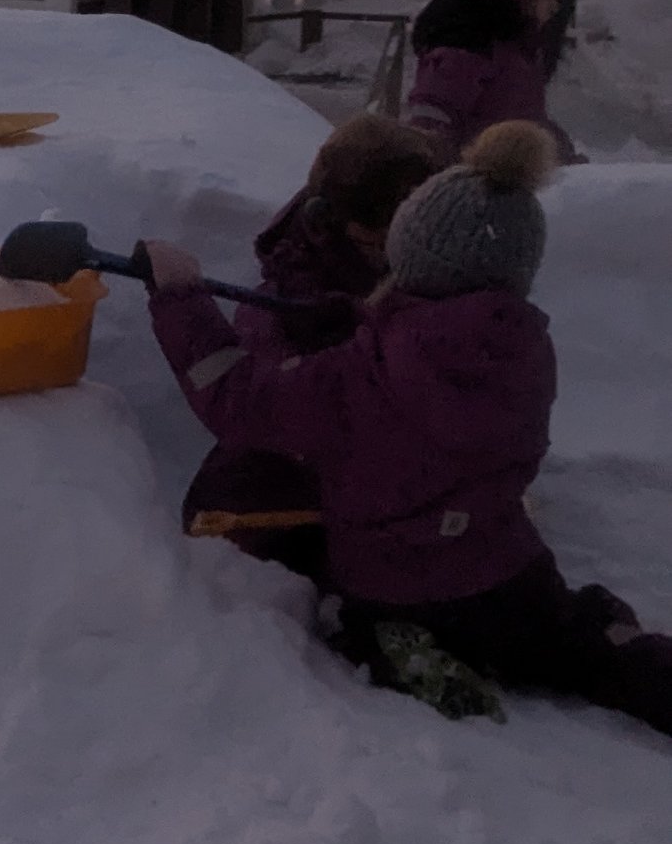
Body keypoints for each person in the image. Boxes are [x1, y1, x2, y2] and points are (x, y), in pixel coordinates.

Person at [144, 122, 672, 737]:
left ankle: (383, 644)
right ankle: (630, 658)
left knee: (349, 612)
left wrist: (179, 297)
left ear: (407, 256)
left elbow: (240, 398)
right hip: (505, 569)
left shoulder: (363, 372)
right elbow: (430, 355)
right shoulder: (526, 345)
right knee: (579, 637)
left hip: (391, 578)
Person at [179, 111, 445, 573]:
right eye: (374, 243)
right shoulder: (284, 307)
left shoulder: (436, 270)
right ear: (328, 218)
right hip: (301, 477)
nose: (390, 257)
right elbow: (258, 409)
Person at [406, 0, 574, 158]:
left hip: (509, 179)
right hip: (473, 184)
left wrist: (562, 156)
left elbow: (526, 120)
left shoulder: (517, 46)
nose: (554, 7)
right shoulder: (464, 48)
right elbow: (430, 128)